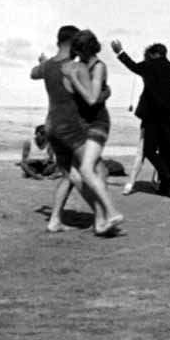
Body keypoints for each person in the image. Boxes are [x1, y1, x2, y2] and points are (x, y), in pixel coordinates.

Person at [31, 26, 122, 236]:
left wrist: (43, 63)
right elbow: (91, 98)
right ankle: (102, 218)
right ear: (74, 44)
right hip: (71, 127)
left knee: (69, 175)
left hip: (51, 126)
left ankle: (54, 220)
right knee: (98, 170)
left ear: (58, 42)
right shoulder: (77, 67)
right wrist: (106, 93)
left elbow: (33, 73)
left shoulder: (48, 66)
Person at [111, 39, 170, 197]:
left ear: (154, 54)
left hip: (152, 116)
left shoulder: (149, 65)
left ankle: (168, 176)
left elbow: (132, 66)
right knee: (166, 151)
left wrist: (119, 51)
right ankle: (166, 188)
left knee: (148, 150)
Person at [61, 29, 123, 230]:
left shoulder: (98, 67)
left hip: (97, 123)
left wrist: (74, 79)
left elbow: (92, 99)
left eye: (79, 51)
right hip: (81, 124)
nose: (77, 54)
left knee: (87, 169)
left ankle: (112, 213)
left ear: (87, 49)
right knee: (75, 174)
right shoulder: (82, 65)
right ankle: (100, 221)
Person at [122, 59, 170, 195]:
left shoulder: (155, 73)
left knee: (145, 151)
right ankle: (157, 181)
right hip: (161, 120)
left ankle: (134, 183)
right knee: (154, 152)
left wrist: (120, 52)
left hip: (154, 119)